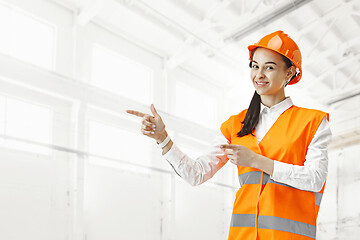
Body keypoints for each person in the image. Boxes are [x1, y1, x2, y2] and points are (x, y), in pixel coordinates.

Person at [126, 30, 332, 240]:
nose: (259, 74)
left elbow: (315, 179)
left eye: (269, 67)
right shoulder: (236, 125)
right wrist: (163, 138)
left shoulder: (313, 122)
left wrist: (256, 161)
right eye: (255, 66)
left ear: (290, 73)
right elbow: (196, 173)